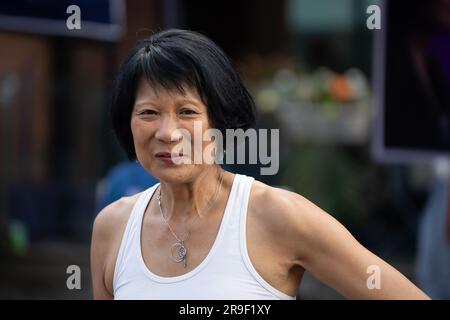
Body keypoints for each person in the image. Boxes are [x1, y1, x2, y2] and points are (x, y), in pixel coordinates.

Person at [90, 29, 430, 300]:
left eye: (187, 112)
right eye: (148, 113)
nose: (167, 133)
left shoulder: (276, 214)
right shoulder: (113, 227)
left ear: (219, 122)